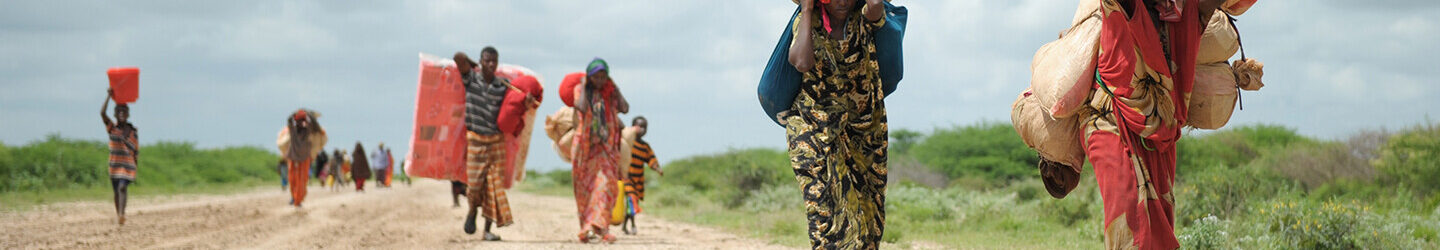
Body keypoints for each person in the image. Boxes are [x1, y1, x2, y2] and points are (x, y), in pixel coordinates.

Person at [1076, 0, 1225, 249]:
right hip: (1109, 116)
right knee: (1126, 210)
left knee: (1159, 226)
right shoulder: (1122, 4)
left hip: (1161, 130)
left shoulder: (1187, 10)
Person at [784, 0, 889, 248]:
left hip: (863, 132)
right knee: (824, 212)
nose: (842, 1)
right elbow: (801, 62)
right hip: (813, 131)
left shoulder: (864, 19)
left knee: (868, 214)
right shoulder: (807, 22)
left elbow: (875, 6)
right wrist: (807, 10)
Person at [454, 46, 514, 241]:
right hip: (476, 141)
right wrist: (473, 64)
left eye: (494, 61)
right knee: (474, 185)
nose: (490, 64)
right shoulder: (470, 78)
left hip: (496, 141)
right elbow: (458, 57)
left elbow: (515, 103)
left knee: (493, 186)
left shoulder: (502, 85)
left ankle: (487, 229)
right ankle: (472, 212)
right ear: (481, 61)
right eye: (487, 60)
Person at [570, 57, 629, 243]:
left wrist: (616, 89)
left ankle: (603, 228)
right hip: (585, 150)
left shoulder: (609, 93)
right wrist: (583, 84)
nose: (600, 81)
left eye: (604, 77)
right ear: (589, 77)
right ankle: (586, 228)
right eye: (597, 77)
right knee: (585, 191)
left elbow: (625, 109)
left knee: (605, 187)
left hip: (605, 149)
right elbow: (580, 107)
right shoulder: (581, 91)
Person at [101, 88, 139, 225]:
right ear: (115, 114)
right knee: (116, 191)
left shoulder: (132, 131)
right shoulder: (112, 128)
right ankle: (119, 215)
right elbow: (102, 113)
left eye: (124, 111)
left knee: (122, 187)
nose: (121, 113)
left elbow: (136, 150)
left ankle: (122, 214)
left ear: (128, 114)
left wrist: (136, 167)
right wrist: (108, 97)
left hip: (128, 166)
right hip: (114, 165)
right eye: (119, 111)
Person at [620, 116, 662, 235]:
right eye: (639, 126)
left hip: (638, 179)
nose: (642, 130)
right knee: (631, 201)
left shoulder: (645, 147)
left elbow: (651, 159)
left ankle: (625, 226)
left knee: (632, 204)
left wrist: (657, 168)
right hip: (626, 177)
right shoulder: (627, 142)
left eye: (645, 127)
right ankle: (632, 225)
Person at [278, 109, 327, 208]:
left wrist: (299, 115)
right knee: (296, 179)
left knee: (298, 179)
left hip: (300, 158)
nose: (301, 123)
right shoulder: (296, 129)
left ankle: (297, 199)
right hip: (297, 157)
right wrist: (302, 114)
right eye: (299, 120)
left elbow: (314, 126)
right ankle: (296, 198)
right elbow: (290, 121)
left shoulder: (306, 129)